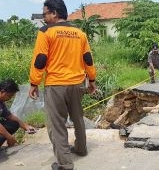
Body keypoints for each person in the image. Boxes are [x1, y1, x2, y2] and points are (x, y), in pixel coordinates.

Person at [28, 0, 96, 169]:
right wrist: (92, 80)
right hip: (77, 84)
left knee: (57, 124)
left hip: (56, 85)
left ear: (55, 13)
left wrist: (34, 83)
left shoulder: (45, 32)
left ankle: (65, 164)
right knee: (78, 118)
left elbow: (40, 60)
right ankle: (81, 148)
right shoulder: (79, 33)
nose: (44, 18)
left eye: (45, 14)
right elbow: (88, 58)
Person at [0, 79, 36, 148]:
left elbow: (10, 116)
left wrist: (26, 126)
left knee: (14, 124)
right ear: (2, 92)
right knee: (2, 136)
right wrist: (9, 137)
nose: (10, 99)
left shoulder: (1, 102)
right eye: (9, 96)